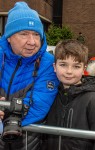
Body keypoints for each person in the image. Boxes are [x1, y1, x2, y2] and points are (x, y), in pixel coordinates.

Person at [0, 2, 59, 150]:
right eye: (24, 34)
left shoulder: (49, 63)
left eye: (36, 34)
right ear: (9, 37)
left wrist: (3, 114)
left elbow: (39, 105)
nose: (32, 42)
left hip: (28, 142)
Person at [44, 39, 95, 150]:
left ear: (84, 69)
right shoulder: (51, 95)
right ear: (54, 66)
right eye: (63, 64)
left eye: (76, 66)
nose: (69, 71)